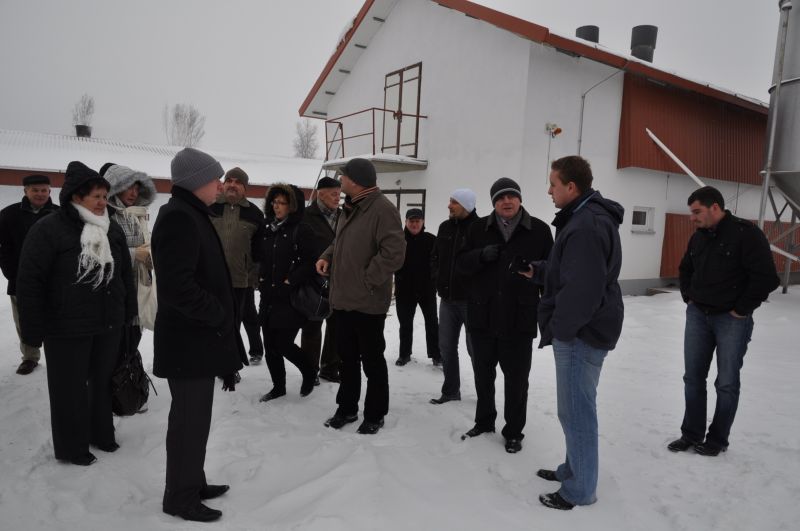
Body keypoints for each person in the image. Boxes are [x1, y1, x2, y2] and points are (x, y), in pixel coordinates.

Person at [16, 161, 135, 466]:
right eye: (96, 196)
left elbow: (124, 274)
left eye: (104, 196)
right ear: (76, 197)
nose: (102, 202)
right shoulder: (49, 229)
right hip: (65, 326)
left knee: (101, 383)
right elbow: (30, 281)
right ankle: (72, 447)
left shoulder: (111, 228)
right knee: (68, 389)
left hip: (107, 322)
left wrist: (128, 313)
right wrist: (32, 330)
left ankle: (101, 434)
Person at [151, 148, 247, 523]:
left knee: (195, 421)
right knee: (189, 423)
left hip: (196, 342)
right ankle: (181, 497)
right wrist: (217, 312)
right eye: (215, 179)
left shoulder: (191, 213)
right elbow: (178, 287)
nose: (220, 185)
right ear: (195, 182)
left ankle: (192, 480)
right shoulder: (179, 217)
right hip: (188, 343)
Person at [530, 156, 624, 510]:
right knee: (572, 409)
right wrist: (539, 272)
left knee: (576, 412)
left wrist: (562, 330)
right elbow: (569, 271)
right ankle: (573, 469)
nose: (549, 191)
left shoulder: (585, 225)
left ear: (571, 187)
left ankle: (580, 489)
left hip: (581, 333)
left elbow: (582, 290)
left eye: (553, 184)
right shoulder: (581, 218)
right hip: (585, 327)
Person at [667, 186, 779, 457]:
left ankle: (717, 440)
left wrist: (741, 310)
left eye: (697, 212)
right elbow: (685, 269)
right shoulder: (699, 237)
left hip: (731, 320)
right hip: (698, 316)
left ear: (715, 207)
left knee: (726, 383)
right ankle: (691, 434)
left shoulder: (746, 235)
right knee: (693, 378)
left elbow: (767, 278)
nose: (692, 218)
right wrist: (688, 297)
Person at [457, 177, 553, 453]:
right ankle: (484, 421)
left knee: (517, 381)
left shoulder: (539, 230)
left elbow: (552, 272)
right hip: (483, 316)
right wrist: (480, 256)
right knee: (483, 376)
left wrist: (536, 271)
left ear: (520, 199)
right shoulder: (477, 229)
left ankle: (513, 432)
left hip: (519, 318)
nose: (506, 201)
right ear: (493, 203)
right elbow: (460, 264)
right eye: (500, 197)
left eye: (511, 196)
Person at [316, 158, 405, 435]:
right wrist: (327, 256)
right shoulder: (350, 207)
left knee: (372, 361)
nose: (340, 180)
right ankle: (347, 408)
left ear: (355, 180)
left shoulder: (382, 209)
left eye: (343, 176)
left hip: (367, 302)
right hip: (343, 299)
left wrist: (366, 280)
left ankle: (375, 414)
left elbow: (394, 253)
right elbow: (340, 241)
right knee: (347, 360)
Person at [254, 183, 317, 402]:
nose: (277, 206)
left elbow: (311, 262)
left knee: (283, 343)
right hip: (268, 295)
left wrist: (291, 280)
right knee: (270, 345)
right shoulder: (267, 227)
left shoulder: (302, 229)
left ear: (292, 206)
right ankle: (278, 387)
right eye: (274, 202)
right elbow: (259, 256)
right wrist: (260, 276)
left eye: (282, 203)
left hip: (291, 297)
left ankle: (309, 371)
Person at [0, 174, 59, 375]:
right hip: (20, 280)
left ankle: (58, 354)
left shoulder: (60, 214)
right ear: (25, 191)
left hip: (54, 281)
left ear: (50, 191)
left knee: (56, 318)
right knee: (24, 319)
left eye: (44, 190)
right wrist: (11, 273)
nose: (40, 194)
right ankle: (30, 357)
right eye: (35, 190)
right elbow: (4, 248)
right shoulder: (9, 215)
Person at [429, 189, 479, 404]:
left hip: (471, 301)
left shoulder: (480, 228)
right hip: (447, 300)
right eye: (450, 201)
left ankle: (485, 395)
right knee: (446, 347)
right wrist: (437, 276)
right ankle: (450, 391)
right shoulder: (444, 227)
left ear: (466, 205)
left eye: (454, 202)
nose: (449, 206)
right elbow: (435, 256)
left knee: (475, 350)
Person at [210, 167, 265, 364]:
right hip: (213, 278)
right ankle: (224, 360)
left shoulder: (255, 214)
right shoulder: (210, 206)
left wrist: (254, 276)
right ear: (223, 184)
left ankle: (250, 352)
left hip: (242, 279)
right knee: (219, 320)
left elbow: (259, 250)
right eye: (229, 181)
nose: (232, 185)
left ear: (245, 188)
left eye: (238, 182)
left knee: (241, 318)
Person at [103, 164, 157, 355]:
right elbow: (102, 251)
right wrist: (134, 254)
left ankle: (128, 368)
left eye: (137, 188)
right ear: (115, 186)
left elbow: (145, 243)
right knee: (115, 344)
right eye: (128, 187)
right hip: (114, 289)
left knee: (132, 337)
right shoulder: (106, 214)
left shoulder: (137, 214)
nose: (134, 193)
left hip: (137, 287)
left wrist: (150, 256)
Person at [300, 176, 343, 382]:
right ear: (320, 193)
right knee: (312, 327)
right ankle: (309, 370)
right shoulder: (306, 216)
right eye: (334, 194)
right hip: (314, 281)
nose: (338, 198)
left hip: (340, 280)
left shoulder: (344, 216)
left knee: (336, 326)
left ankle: (329, 368)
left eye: (339, 194)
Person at [395, 208, 441, 367]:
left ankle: (436, 355)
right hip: (404, 290)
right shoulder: (398, 240)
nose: (414, 224)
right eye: (411, 221)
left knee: (432, 323)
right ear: (406, 222)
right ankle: (404, 354)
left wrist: (434, 278)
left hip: (427, 290)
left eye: (417, 221)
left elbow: (439, 262)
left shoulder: (432, 240)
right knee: (405, 324)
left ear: (423, 222)